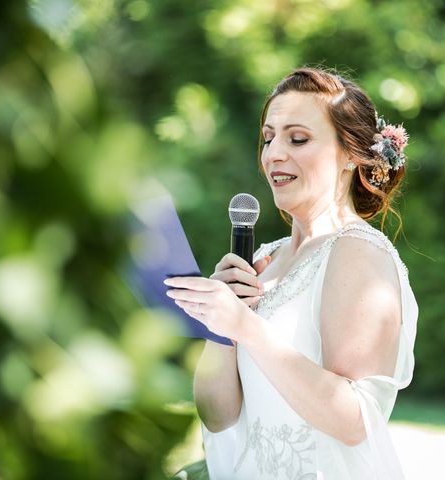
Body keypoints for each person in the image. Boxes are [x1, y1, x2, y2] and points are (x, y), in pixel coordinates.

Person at [165, 67, 418, 479]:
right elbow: (217, 417)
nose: (273, 154)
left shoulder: (358, 252)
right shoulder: (267, 256)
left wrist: (246, 326)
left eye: (297, 139)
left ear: (351, 155)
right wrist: (221, 328)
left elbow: (354, 420)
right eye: (268, 138)